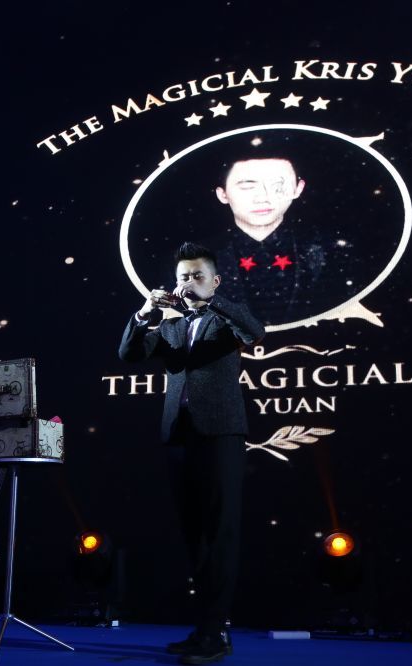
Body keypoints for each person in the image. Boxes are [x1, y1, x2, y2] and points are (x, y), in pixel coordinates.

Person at [119, 241, 264, 664]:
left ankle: (216, 632)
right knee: (195, 535)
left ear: (214, 281)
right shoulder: (171, 325)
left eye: (198, 276)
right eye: (184, 277)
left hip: (220, 433)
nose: (189, 282)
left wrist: (211, 301)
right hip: (179, 435)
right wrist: (145, 313)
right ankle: (205, 628)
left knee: (220, 533)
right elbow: (128, 354)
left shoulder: (225, 318)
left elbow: (255, 331)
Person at [208, 156, 342, 326]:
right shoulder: (191, 259)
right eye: (247, 187)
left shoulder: (331, 253)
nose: (263, 198)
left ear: (298, 189)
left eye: (277, 185)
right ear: (223, 194)